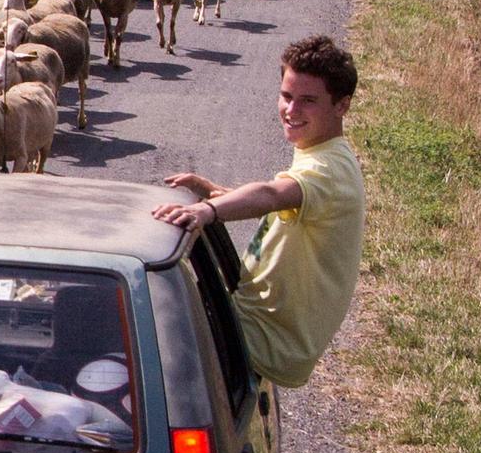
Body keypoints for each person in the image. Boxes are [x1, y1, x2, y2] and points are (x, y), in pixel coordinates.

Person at [150, 35, 365, 388]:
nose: (291, 110)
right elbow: (286, 206)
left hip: (262, 338)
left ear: (341, 106)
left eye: (308, 101)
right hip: (252, 322)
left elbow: (270, 194)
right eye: (287, 96)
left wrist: (208, 210)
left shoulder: (328, 170)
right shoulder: (322, 154)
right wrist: (217, 193)